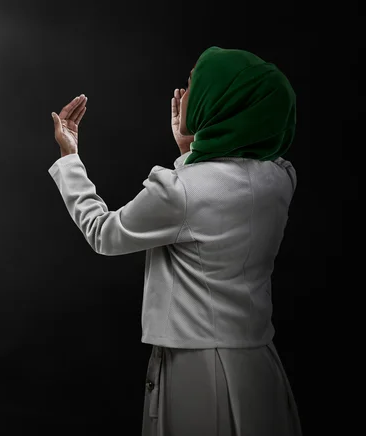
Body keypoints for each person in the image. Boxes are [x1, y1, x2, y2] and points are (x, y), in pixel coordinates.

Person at [48, 46, 302, 436]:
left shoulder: (179, 191)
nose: (184, 93)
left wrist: (69, 158)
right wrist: (191, 151)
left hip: (197, 373)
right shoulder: (280, 179)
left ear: (218, 101)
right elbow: (222, 187)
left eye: (194, 84)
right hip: (260, 366)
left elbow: (104, 233)